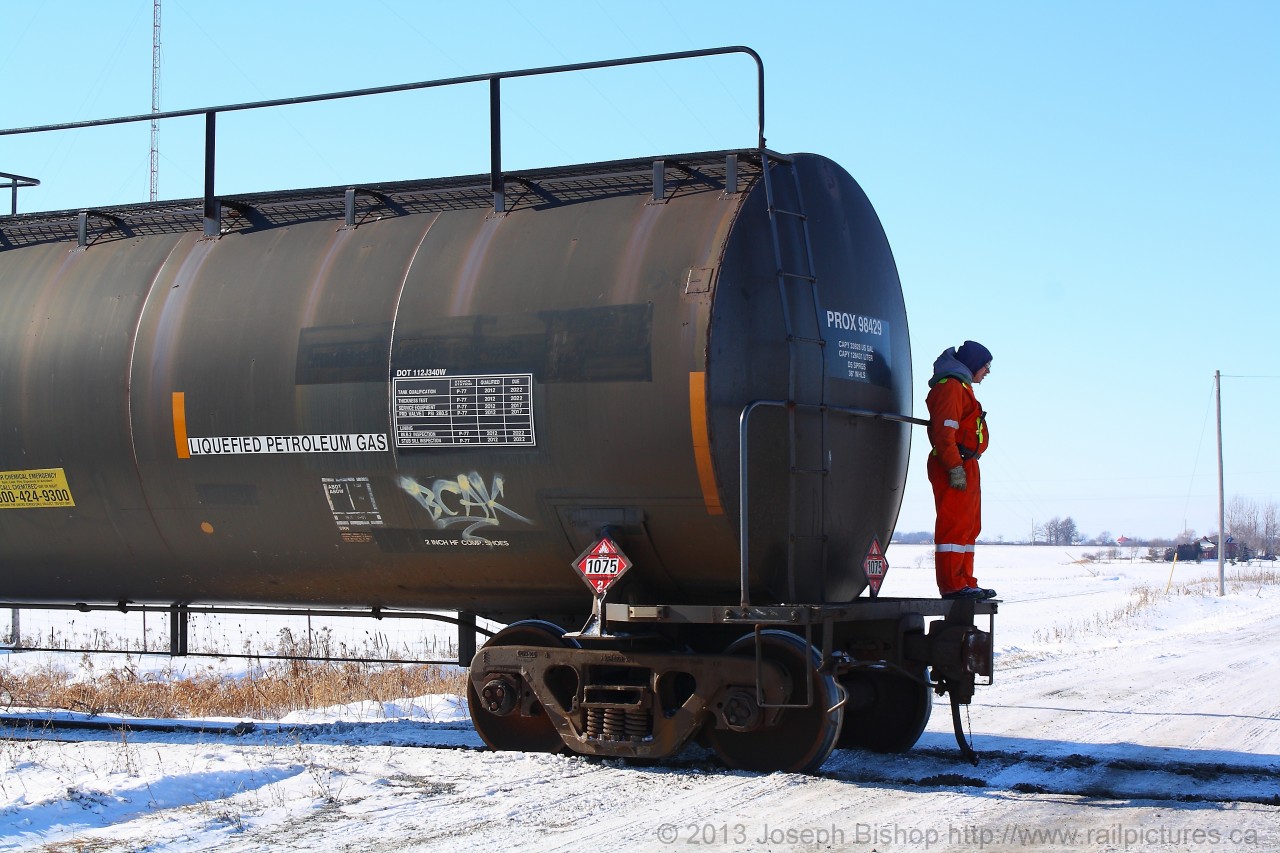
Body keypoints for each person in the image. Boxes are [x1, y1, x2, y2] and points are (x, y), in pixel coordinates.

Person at [926, 340, 997, 600]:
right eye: (986, 365)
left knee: (969, 526)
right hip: (953, 463)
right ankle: (952, 585)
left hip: (967, 464)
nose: (987, 372)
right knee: (954, 526)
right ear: (975, 364)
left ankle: (965, 581)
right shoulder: (951, 387)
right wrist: (955, 467)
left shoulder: (962, 386)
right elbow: (945, 433)